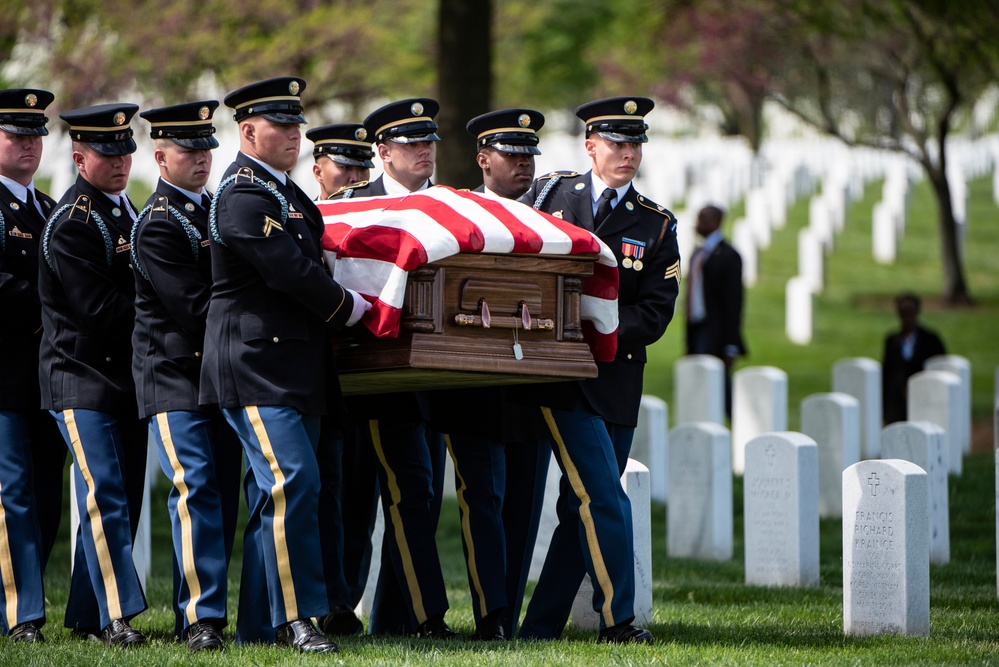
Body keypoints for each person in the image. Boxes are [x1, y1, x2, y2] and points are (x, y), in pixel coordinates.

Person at [199, 76, 369, 654]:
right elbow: (288, 272)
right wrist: (350, 308)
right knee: (291, 481)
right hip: (255, 364)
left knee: (280, 492)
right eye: (282, 126)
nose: (296, 135)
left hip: (293, 366)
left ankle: (258, 625)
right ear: (248, 132)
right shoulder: (244, 193)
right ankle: (300, 619)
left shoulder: (287, 194)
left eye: (298, 125)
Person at [517, 96, 681, 643]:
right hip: (561, 374)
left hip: (616, 377)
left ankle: (540, 627)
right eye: (617, 143)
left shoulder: (656, 225)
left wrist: (601, 324)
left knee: (577, 505)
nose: (628, 153)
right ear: (591, 146)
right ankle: (619, 620)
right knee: (604, 495)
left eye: (636, 144)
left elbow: (655, 313)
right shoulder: (551, 195)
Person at [335, 98, 457, 638]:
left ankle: (408, 615)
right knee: (356, 496)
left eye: (429, 140)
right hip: (368, 371)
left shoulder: (456, 206)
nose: (424, 149)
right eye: (411, 143)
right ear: (383, 152)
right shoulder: (352, 205)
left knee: (415, 493)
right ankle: (342, 607)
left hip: (435, 374)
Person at [427, 108, 551, 640]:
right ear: (484, 160)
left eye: (529, 156)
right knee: (484, 496)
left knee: (523, 500)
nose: (524, 165)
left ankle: (510, 610)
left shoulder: (552, 214)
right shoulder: (461, 214)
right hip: (473, 379)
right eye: (512, 156)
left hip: (533, 378)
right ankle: (492, 612)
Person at [131, 100, 242, 652]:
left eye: (206, 148)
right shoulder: (156, 223)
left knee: (218, 494)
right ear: (161, 156)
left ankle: (196, 611)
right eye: (188, 149)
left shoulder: (212, 210)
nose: (201, 158)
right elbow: (194, 308)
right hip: (174, 376)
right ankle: (202, 618)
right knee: (194, 490)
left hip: (216, 374)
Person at [39, 102, 148, 646]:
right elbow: (98, 310)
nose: (122, 161)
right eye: (108, 153)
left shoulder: (124, 210)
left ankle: (85, 616)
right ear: (80, 158)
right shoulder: (74, 220)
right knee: (105, 494)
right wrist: (160, 312)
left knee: (122, 494)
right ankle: (114, 617)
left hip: (122, 380)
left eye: (126, 150)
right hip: (80, 377)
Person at [0, 87, 67, 643]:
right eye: (15, 134)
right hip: (2, 374)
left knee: (47, 492)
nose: (28, 144)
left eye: (34, 135)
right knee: (12, 494)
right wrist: (56, 306)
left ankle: (27, 596)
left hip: (46, 375)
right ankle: (20, 615)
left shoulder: (46, 207)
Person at [305, 121, 374, 635]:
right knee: (320, 491)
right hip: (313, 374)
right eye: (342, 165)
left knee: (359, 497)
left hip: (369, 379)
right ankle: (320, 599)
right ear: (318, 169)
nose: (353, 175)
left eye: (361, 166)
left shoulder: (373, 223)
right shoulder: (306, 219)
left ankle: (346, 600)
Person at [685, 204, 746, 417]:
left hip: (717, 330)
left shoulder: (728, 256)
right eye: (699, 218)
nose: (699, 223)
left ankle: (738, 418)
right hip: (697, 327)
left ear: (718, 222)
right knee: (700, 379)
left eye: (705, 219)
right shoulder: (698, 254)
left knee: (718, 381)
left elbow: (733, 302)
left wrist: (731, 344)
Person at [881, 292, 946, 424]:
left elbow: (939, 369)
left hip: (925, 396)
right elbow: (887, 371)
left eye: (909, 312)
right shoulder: (892, 340)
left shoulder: (930, 339)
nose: (906, 317)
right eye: (902, 313)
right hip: (897, 402)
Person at [306, 123, 374, 199]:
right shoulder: (306, 211)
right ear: (318, 173)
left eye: (363, 168)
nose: (356, 178)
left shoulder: (382, 210)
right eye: (345, 167)